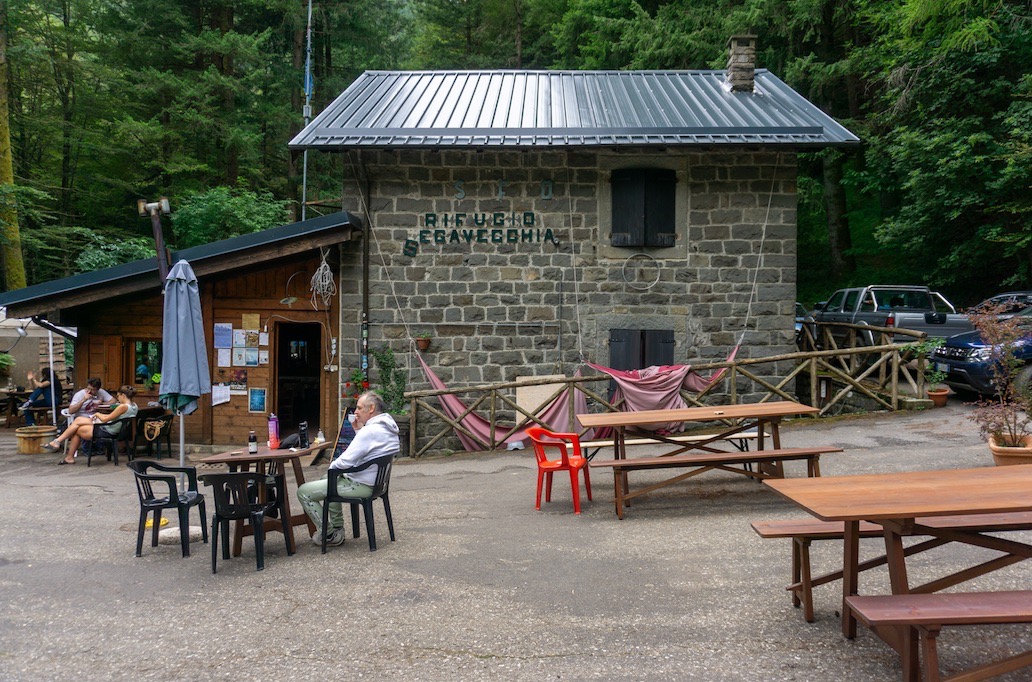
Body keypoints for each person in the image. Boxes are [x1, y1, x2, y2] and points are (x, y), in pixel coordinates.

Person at [296, 391, 399, 547]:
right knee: (327, 478)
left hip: (360, 485)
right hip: (376, 484)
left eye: (359, 408)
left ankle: (329, 534)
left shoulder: (369, 431)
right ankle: (337, 528)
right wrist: (358, 431)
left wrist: (332, 468)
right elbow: (370, 449)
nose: (355, 412)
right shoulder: (387, 428)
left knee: (304, 491)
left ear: (371, 408)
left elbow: (346, 460)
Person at [43, 385, 138, 465]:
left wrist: (97, 414)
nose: (118, 398)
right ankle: (59, 444)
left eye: (118, 396)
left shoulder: (122, 406)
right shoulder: (134, 406)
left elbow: (106, 419)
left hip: (108, 430)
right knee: (78, 420)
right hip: (114, 428)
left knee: (76, 429)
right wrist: (100, 415)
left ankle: (61, 447)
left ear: (123, 395)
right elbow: (111, 417)